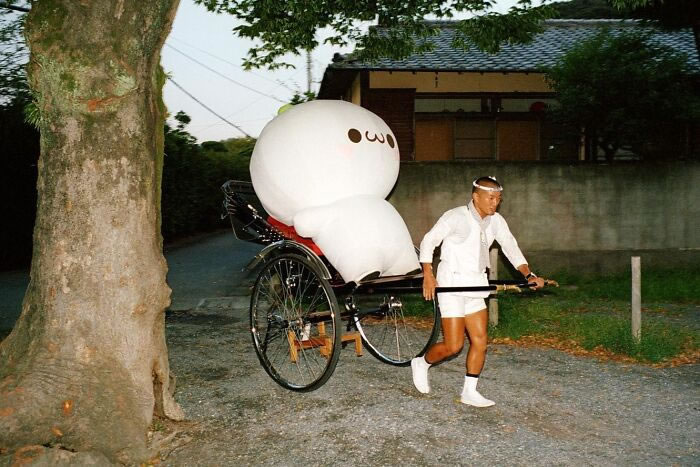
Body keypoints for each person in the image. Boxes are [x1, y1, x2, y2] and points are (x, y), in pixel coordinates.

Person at [411, 176, 544, 407]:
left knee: (480, 341)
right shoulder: (455, 217)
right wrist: (428, 275)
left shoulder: (496, 221)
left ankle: (469, 392)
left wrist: (528, 274)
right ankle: (422, 363)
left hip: (477, 285)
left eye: (498, 199)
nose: (495, 203)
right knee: (454, 346)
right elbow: (428, 241)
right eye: (491, 198)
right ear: (476, 197)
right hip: (452, 285)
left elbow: (511, 247)